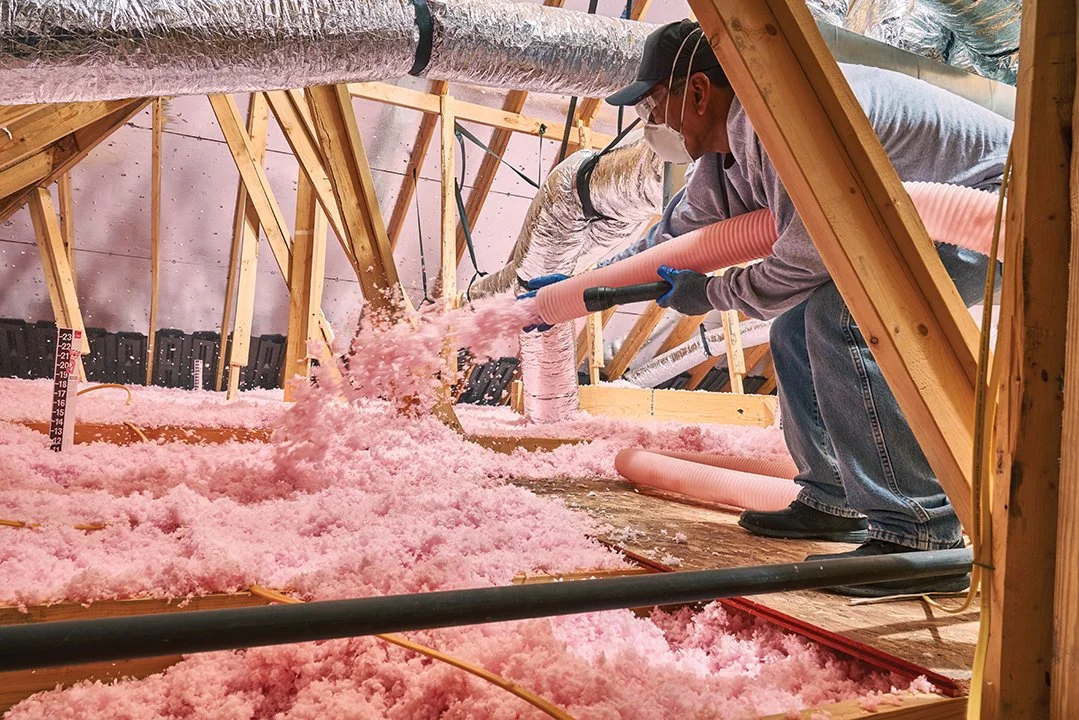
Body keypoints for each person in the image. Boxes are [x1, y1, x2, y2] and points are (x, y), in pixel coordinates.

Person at [603, 20, 1011, 597]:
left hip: (1001, 211)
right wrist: (590, 281)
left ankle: (924, 535)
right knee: (795, 326)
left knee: (844, 317)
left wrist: (711, 295)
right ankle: (835, 496)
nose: (656, 123)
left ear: (697, 92)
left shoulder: (780, 122)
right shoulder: (731, 152)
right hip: (933, 220)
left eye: (655, 104)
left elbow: (807, 259)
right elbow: (676, 236)